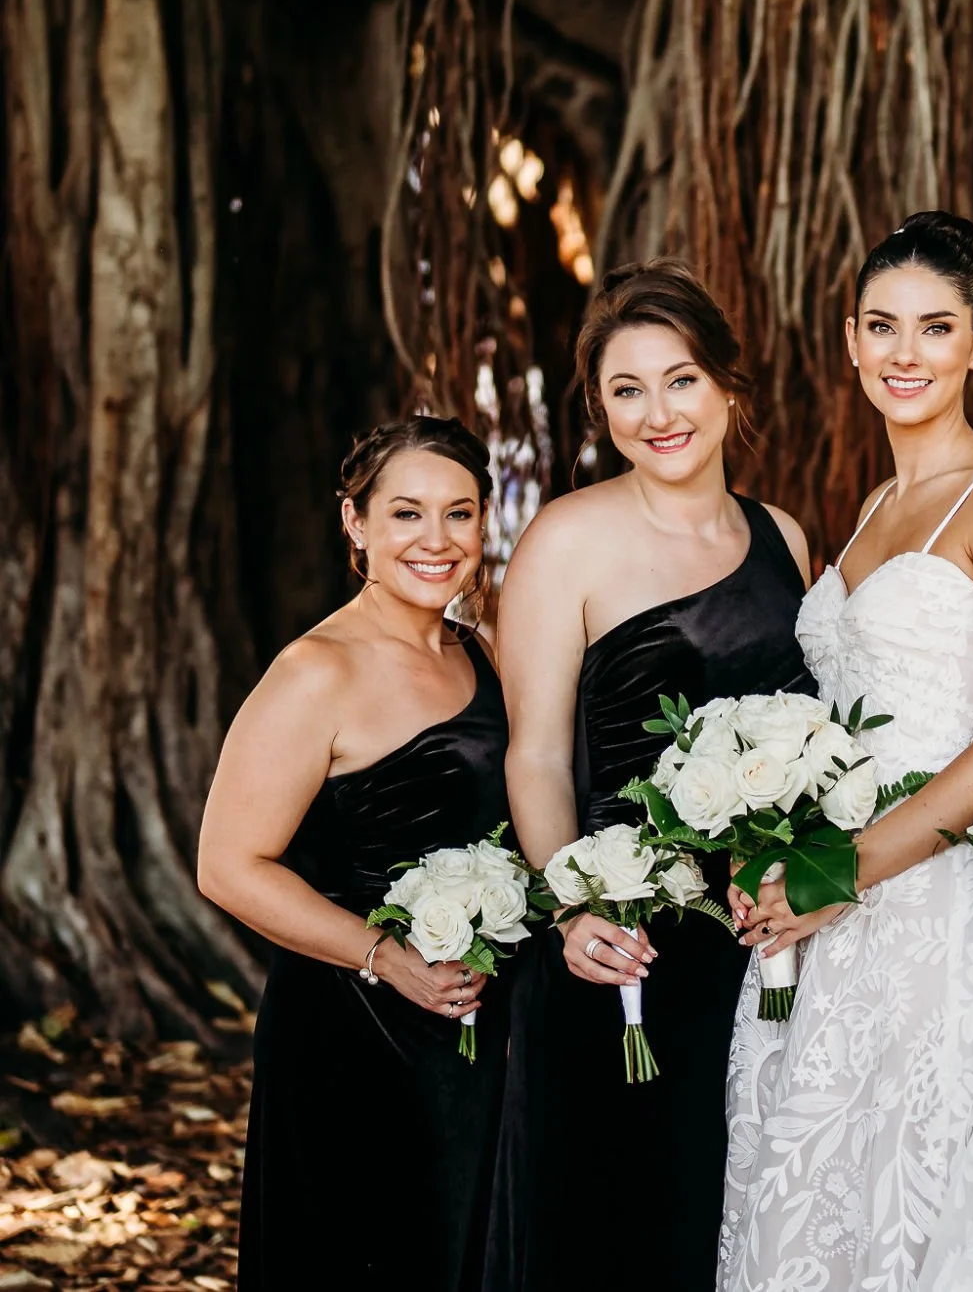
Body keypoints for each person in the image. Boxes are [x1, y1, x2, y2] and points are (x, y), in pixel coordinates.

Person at [720, 212, 973, 1290]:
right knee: (807, 1200)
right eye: (880, 326)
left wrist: (841, 873)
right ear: (849, 339)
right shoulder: (872, 505)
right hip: (822, 906)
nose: (902, 353)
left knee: (913, 1205)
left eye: (933, 327)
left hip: (928, 901)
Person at [480, 260, 814, 1291]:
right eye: (626, 390)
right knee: (617, 1225)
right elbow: (533, 751)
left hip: (762, 944)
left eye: (679, 381)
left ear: (728, 387)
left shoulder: (784, 538)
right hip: (620, 946)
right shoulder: (565, 541)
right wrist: (574, 905)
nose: (657, 413)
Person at [199, 418, 508, 1291]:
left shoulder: (473, 649)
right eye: (406, 513)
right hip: (350, 1027)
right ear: (355, 522)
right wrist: (385, 957)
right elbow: (228, 863)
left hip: (469, 1027)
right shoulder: (315, 670)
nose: (437, 540)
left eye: (460, 513)